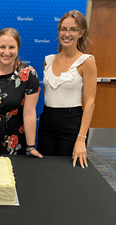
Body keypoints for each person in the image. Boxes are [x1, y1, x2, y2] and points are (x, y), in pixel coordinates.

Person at [37, 10, 97, 168]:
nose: (67, 33)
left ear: (81, 33)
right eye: (63, 29)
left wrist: (81, 138)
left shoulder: (87, 61)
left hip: (72, 123)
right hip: (47, 122)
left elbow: (90, 102)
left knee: (68, 171)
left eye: (73, 29)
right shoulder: (48, 60)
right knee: (45, 168)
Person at [0, 28, 42, 157]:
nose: (6, 52)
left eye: (11, 47)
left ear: (18, 49)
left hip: (14, 138)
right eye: (2, 47)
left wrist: (31, 146)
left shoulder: (29, 74)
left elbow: (29, 112)